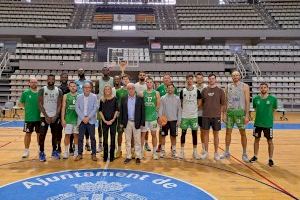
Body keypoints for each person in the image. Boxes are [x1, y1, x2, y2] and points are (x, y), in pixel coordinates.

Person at [221, 70, 250, 162]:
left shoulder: (245, 86)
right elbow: (225, 102)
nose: (235, 77)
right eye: (234, 75)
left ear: (240, 76)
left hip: (240, 113)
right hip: (230, 113)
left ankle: (244, 153)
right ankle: (226, 151)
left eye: (237, 75)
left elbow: (247, 102)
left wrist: (247, 115)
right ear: (231, 77)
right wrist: (224, 114)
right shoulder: (228, 87)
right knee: (228, 133)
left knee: (243, 133)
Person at [249, 83, 277, 167]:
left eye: (265, 87)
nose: (263, 89)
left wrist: (267, 117)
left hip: (268, 124)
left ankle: (270, 159)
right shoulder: (256, 98)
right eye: (261, 88)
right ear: (259, 89)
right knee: (256, 139)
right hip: (257, 123)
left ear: (267, 88)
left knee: (270, 141)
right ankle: (255, 156)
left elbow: (274, 109)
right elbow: (255, 108)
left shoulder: (273, 99)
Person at [38, 74, 63, 162]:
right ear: (47, 80)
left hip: (55, 117)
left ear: (55, 80)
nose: (51, 80)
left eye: (53, 79)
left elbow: (59, 104)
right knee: (42, 135)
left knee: (55, 135)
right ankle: (41, 152)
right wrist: (46, 116)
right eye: (49, 79)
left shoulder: (58, 90)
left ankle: (54, 151)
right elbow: (40, 104)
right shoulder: (42, 90)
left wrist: (56, 115)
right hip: (44, 117)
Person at [201, 73, 225, 161]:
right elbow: (201, 103)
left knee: (216, 135)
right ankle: (206, 152)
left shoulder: (220, 90)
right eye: (210, 79)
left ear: (215, 80)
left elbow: (223, 104)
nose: (211, 80)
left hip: (216, 116)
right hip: (206, 115)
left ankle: (216, 153)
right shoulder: (204, 90)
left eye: (213, 78)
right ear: (208, 80)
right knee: (206, 134)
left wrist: (220, 114)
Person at [119, 83, 145, 165]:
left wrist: (142, 122)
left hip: (137, 122)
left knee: (137, 141)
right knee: (127, 140)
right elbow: (121, 111)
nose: (130, 90)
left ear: (134, 89)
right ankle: (128, 156)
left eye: (132, 88)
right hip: (127, 122)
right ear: (127, 90)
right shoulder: (123, 98)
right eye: (129, 88)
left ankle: (137, 156)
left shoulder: (140, 98)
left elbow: (142, 111)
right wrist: (121, 122)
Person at [179, 74, 202, 159]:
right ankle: (182, 151)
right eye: (188, 79)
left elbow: (200, 102)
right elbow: (181, 103)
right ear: (186, 80)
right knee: (183, 134)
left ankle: (195, 152)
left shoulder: (197, 91)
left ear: (193, 80)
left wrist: (195, 108)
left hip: (194, 116)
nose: (190, 80)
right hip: (185, 116)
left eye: (191, 79)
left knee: (194, 134)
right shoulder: (183, 91)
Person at [75, 82, 98, 161]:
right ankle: (80, 154)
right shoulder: (78, 97)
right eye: (85, 87)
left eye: (88, 87)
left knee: (92, 138)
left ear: (91, 88)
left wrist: (88, 118)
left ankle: (94, 153)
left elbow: (95, 108)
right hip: (81, 120)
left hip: (90, 120)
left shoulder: (94, 96)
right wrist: (83, 118)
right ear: (83, 88)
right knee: (80, 138)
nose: (87, 89)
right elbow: (77, 108)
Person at [156, 73, 178, 152]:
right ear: (163, 79)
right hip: (163, 116)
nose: (166, 79)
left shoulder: (174, 88)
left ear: (170, 79)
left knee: (173, 133)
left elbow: (176, 102)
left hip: (172, 116)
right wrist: (158, 116)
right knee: (161, 132)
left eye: (168, 78)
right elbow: (157, 101)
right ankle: (160, 145)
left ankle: (173, 146)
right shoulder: (159, 88)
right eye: (165, 78)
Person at [158, 83, 181, 159]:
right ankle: (163, 150)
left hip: (174, 120)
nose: (170, 89)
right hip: (165, 121)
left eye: (172, 88)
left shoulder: (177, 98)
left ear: (174, 89)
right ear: (166, 89)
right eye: (169, 88)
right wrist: (160, 119)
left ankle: (174, 150)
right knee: (163, 136)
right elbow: (160, 109)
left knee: (173, 136)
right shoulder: (163, 98)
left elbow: (179, 110)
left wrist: (179, 120)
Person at [19, 77, 40, 158]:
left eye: (35, 82)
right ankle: (26, 150)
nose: (34, 83)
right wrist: (27, 109)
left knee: (39, 134)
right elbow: (21, 103)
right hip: (28, 118)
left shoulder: (40, 92)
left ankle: (40, 149)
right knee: (28, 134)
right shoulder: (25, 93)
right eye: (32, 82)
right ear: (29, 83)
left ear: (37, 83)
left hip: (39, 118)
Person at [95, 67, 114, 153]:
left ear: (109, 71)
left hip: (111, 105)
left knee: (111, 124)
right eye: (104, 70)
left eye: (107, 70)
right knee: (100, 125)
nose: (106, 71)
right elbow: (96, 93)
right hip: (101, 105)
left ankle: (111, 144)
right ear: (102, 71)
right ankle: (100, 143)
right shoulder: (98, 81)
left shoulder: (112, 80)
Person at [141, 77, 160, 159]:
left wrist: (155, 114)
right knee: (142, 135)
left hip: (153, 118)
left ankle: (155, 152)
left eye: (150, 82)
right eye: (147, 82)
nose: (149, 83)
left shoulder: (156, 93)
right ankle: (140, 152)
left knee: (154, 135)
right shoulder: (143, 93)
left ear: (152, 83)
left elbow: (158, 105)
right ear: (146, 83)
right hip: (144, 119)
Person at [99, 85, 118, 162]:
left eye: (108, 89)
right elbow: (100, 111)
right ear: (104, 91)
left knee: (113, 138)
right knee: (105, 139)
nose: (107, 90)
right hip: (104, 122)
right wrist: (104, 120)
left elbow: (117, 110)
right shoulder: (102, 99)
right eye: (105, 89)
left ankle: (112, 155)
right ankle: (105, 155)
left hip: (113, 121)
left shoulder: (115, 98)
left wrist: (113, 119)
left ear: (111, 90)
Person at [75, 68, 92, 151]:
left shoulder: (88, 82)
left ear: (84, 72)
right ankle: (76, 146)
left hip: (88, 106)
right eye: (79, 71)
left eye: (82, 71)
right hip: (79, 105)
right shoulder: (76, 82)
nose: (80, 72)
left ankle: (87, 143)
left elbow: (93, 93)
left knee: (87, 126)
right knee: (79, 126)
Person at [61, 81, 79, 159]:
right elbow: (63, 108)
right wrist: (62, 119)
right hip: (68, 119)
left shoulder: (79, 96)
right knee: (67, 135)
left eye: (74, 86)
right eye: (71, 86)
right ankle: (66, 151)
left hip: (77, 120)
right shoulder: (65, 96)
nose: (72, 87)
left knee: (76, 135)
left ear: (76, 87)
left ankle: (76, 151)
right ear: (68, 87)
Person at [135, 71, 151, 152]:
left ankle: (146, 143)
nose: (142, 76)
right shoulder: (135, 85)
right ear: (138, 76)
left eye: (143, 75)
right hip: (137, 108)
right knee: (138, 128)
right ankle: (137, 144)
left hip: (146, 108)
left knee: (146, 128)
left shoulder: (147, 85)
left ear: (145, 76)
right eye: (140, 75)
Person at [115, 74, 130, 158]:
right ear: (122, 81)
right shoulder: (118, 92)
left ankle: (131, 150)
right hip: (121, 116)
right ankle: (119, 150)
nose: (125, 80)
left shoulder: (132, 90)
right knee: (120, 133)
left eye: (127, 79)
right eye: (124, 79)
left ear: (129, 80)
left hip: (130, 116)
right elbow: (117, 104)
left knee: (130, 134)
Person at [57, 72, 70, 154]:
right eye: (63, 77)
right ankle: (58, 146)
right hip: (59, 112)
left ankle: (70, 147)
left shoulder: (70, 88)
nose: (64, 78)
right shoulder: (57, 89)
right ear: (60, 78)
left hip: (68, 112)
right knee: (58, 131)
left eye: (66, 77)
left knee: (70, 131)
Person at [195, 72, 207, 155]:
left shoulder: (206, 87)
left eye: (200, 78)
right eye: (197, 78)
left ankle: (204, 148)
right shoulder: (192, 87)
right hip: (194, 113)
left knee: (203, 132)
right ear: (196, 79)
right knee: (194, 132)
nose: (199, 79)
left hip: (204, 113)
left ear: (203, 79)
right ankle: (195, 149)